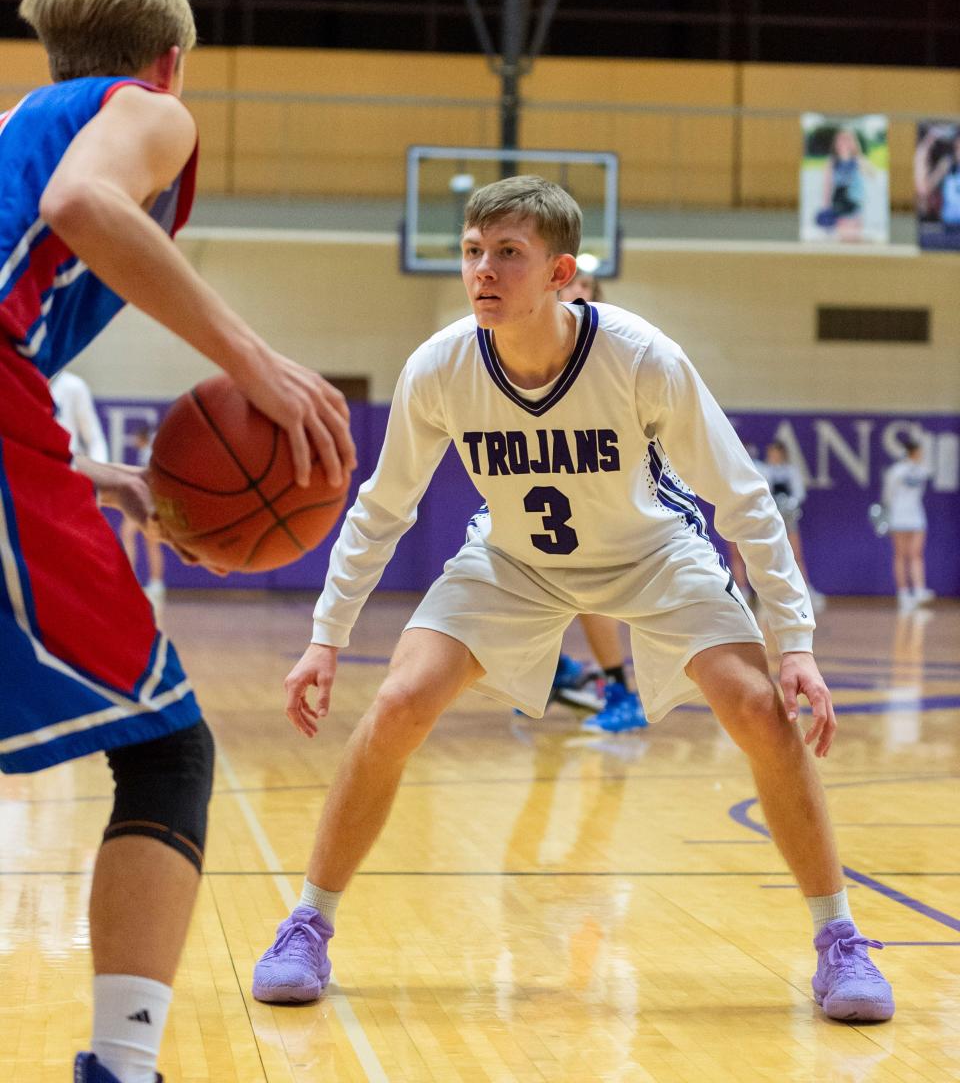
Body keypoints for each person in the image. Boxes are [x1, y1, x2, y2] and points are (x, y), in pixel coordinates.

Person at [253, 175, 893, 1024]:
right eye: (473, 253)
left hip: (654, 552)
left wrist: (796, 641)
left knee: (759, 709)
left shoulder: (641, 357)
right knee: (402, 699)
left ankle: (838, 939)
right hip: (516, 560)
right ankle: (308, 923)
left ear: (561, 274)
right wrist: (326, 638)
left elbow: (742, 499)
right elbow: (383, 507)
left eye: (507, 255)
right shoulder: (440, 366)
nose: (483, 271)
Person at [3, 0, 355, 1083]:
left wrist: (69, 471)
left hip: (22, 423)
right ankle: (124, 1066)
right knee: (165, 750)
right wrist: (254, 362)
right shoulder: (147, 113)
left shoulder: (18, 120)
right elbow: (83, 202)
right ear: (170, 61)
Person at [553, 269, 647, 734]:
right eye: (573, 286)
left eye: (586, 288)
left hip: (601, 479)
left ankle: (621, 692)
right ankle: (559, 671)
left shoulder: (609, 341)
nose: (578, 293)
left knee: (590, 592)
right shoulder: (525, 342)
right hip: (546, 478)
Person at [757, 439, 825, 614]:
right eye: (771, 452)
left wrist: (790, 505)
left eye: (777, 452)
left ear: (783, 454)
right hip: (769, 519)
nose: (774, 456)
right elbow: (761, 492)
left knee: (796, 555)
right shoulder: (763, 470)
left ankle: (804, 591)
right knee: (769, 556)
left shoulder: (791, 471)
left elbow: (799, 492)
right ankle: (767, 595)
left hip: (788, 518)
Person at [881, 436, 933, 612]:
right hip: (899, 517)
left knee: (916, 554)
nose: (922, 455)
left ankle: (919, 590)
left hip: (917, 516)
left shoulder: (921, 471)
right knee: (900, 555)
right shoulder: (896, 471)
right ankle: (903, 593)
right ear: (912, 452)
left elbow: (925, 478)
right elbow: (888, 495)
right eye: (919, 452)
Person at [120, 424, 167, 612]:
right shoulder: (154, 450)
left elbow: (149, 481)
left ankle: (130, 580)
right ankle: (156, 585)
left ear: (142, 437)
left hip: (148, 503)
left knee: (128, 534)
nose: (133, 441)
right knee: (150, 542)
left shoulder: (149, 453)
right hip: (153, 503)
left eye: (135, 437)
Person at [50, 369, 110, 463]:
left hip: (65, 467)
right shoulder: (21, 383)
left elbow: (94, 439)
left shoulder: (73, 385)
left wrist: (96, 472)